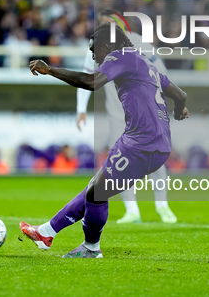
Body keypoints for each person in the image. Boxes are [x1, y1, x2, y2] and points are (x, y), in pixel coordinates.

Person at [20, 23, 189, 258]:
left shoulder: (120, 56)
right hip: (159, 144)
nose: (93, 56)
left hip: (141, 142)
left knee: (96, 194)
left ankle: (90, 248)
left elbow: (92, 82)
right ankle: (46, 232)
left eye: (94, 50)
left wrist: (51, 70)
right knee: (96, 186)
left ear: (107, 46)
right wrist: (180, 110)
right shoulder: (143, 62)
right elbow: (180, 95)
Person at [77, 30, 177, 224]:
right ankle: (132, 210)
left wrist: (165, 103)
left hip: (145, 115)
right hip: (118, 116)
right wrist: (81, 108)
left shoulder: (140, 44)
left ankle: (162, 206)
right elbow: (87, 77)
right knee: (119, 164)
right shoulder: (97, 48)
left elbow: (162, 73)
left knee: (157, 160)